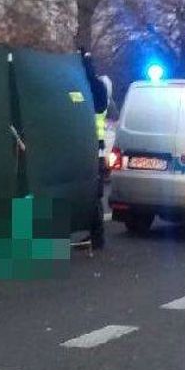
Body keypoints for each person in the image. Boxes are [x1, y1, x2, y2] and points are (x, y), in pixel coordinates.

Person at [80, 50, 109, 250]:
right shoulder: (99, 86)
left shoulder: (89, 86)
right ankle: (95, 235)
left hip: (88, 145)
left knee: (91, 193)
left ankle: (96, 236)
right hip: (93, 146)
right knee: (93, 193)